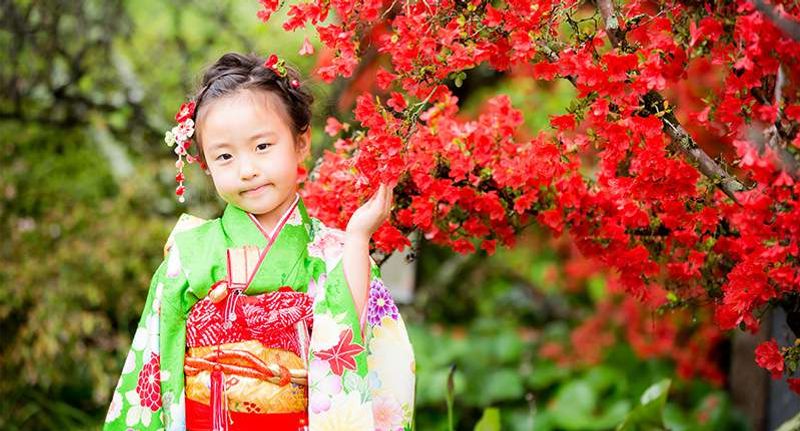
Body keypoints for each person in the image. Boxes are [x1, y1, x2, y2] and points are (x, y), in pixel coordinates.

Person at [103, 52, 415, 431]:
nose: (247, 170)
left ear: (301, 143)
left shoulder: (333, 250)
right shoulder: (190, 252)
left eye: (262, 147)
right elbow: (156, 358)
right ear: (206, 165)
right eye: (225, 156)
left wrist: (358, 235)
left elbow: (353, 334)